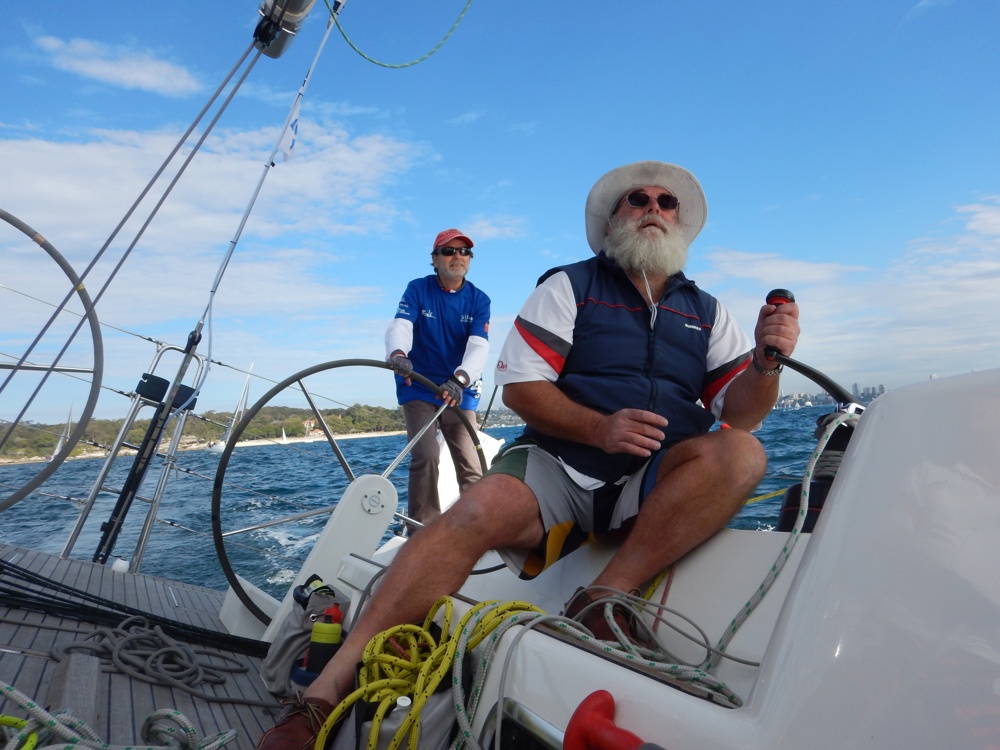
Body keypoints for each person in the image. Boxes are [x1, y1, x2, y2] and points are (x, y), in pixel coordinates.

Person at [255, 162, 800, 750]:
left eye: (666, 202)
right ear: (612, 220)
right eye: (636, 199)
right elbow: (521, 387)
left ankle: (598, 603)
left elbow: (740, 414)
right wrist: (600, 427)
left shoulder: (709, 312)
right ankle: (322, 695)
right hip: (559, 462)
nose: (652, 208)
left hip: (652, 476)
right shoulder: (569, 286)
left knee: (743, 454)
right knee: (472, 511)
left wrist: (767, 362)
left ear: (682, 223)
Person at [384, 228, 491, 528]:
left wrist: (460, 379)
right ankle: (423, 527)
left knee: (470, 463)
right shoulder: (418, 289)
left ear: (469, 259)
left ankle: (476, 527)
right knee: (426, 456)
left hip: (460, 388)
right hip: (417, 384)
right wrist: (398, 354)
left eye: (464, 251)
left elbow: (479, 347)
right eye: (448, 251)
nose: (457, 256)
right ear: (435, 259)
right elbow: (401, 325)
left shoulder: (479, 300)